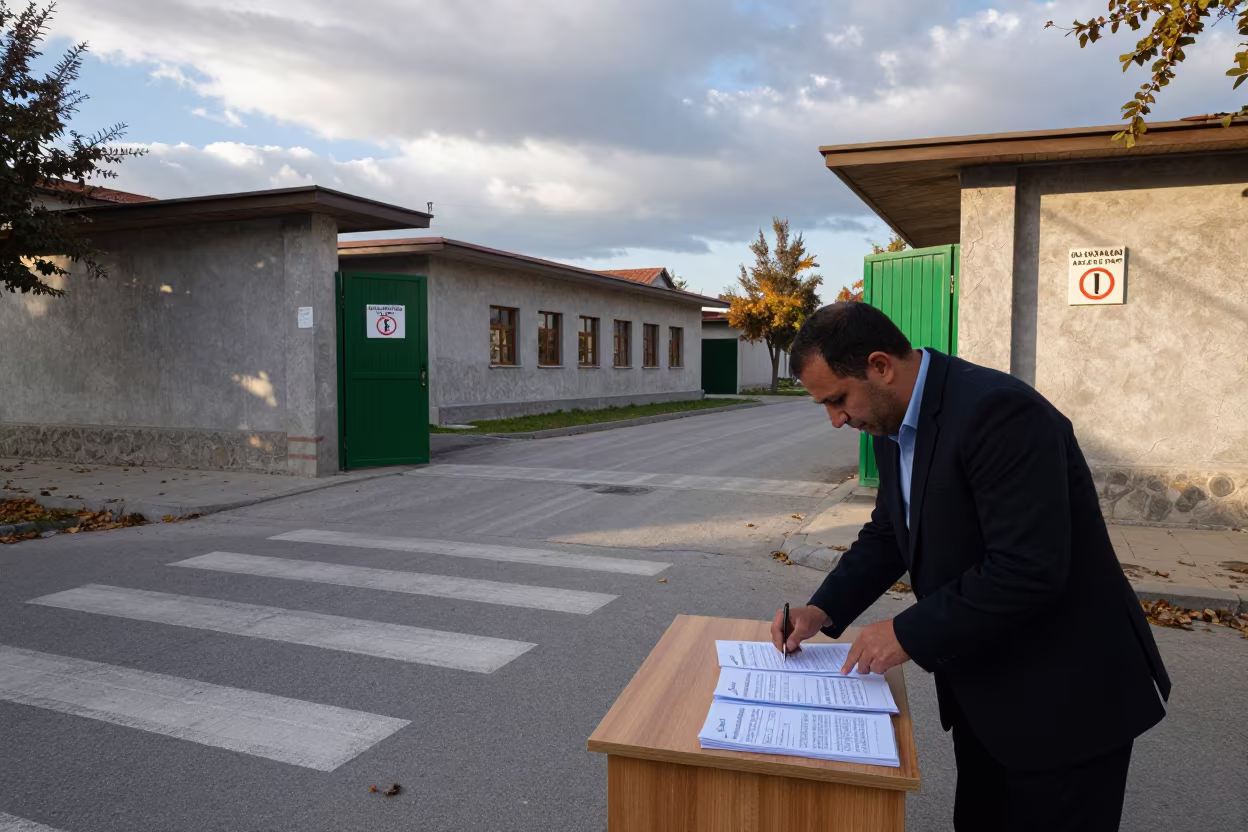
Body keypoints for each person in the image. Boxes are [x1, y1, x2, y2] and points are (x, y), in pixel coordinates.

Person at [770, 302, 1170, 832]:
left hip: (1064, 699)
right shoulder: (891, 427)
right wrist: (822, 609)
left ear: (880, 365)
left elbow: (1027, 566)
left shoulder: (999, 413)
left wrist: (906, 633)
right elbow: (891, 533)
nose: (837, 419)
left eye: (839, 399)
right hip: (985, 691)